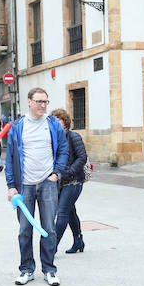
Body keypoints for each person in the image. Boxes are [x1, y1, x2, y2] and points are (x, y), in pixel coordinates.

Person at [6, 87, 67, 286]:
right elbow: (10, 158)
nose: (43, 105)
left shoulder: (52, 125)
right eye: (39, 101)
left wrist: (56, 173)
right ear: (29, 102)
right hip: (24, 186)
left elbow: (63, 150)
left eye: (45, 102)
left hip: (47, 183)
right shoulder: (17, 126)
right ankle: (26, 269)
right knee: (25, 230)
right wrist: (11, 186)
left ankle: (49, 269)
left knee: (48, 228)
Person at [50, 109, 88, 254]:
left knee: (63, 212)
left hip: (74, 180)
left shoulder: (73, 136)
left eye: (58, 120)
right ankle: (78, 240)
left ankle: (52, 247)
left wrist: (70, 172)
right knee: (70, 211)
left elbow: (82, 157)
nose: (55, 123)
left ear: (65, 122)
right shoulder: (53, 138)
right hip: (60, 181)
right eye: (52, 120)